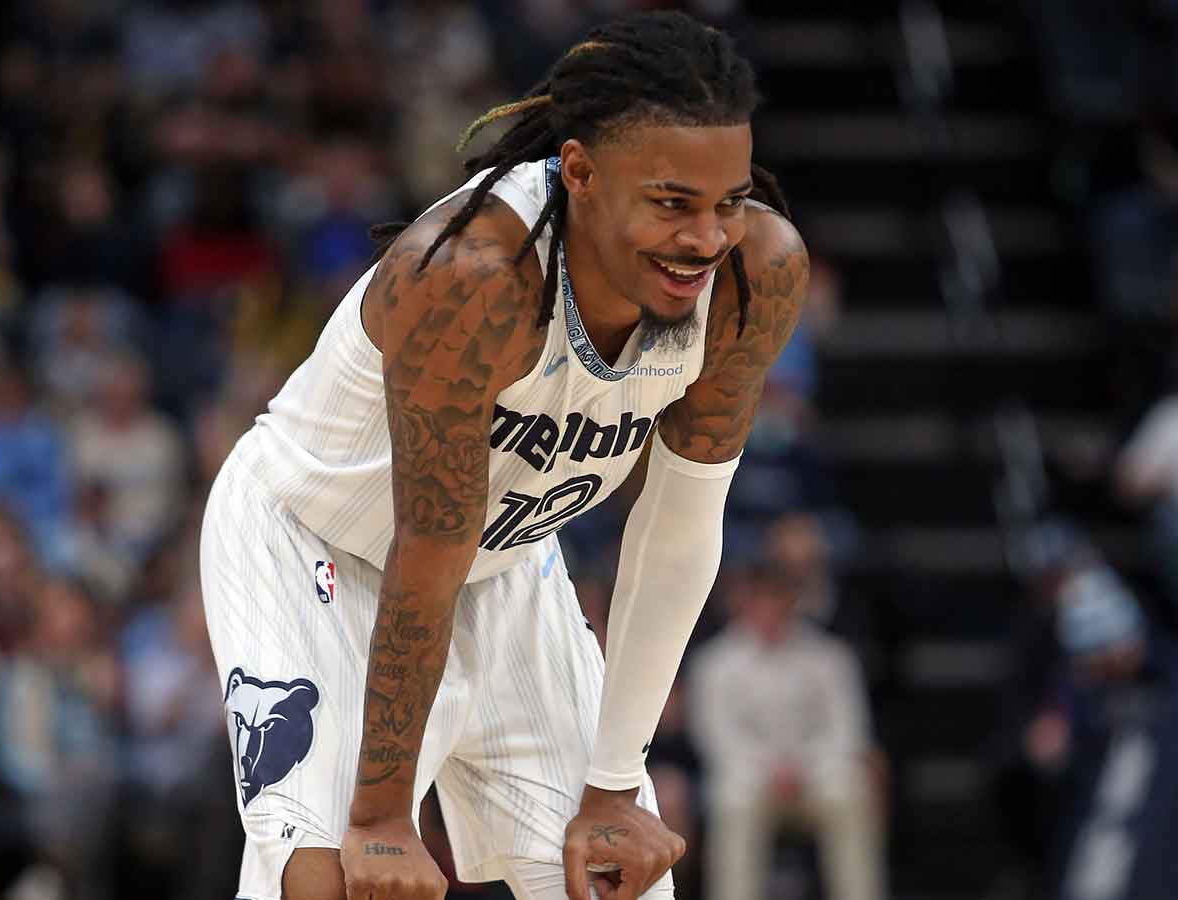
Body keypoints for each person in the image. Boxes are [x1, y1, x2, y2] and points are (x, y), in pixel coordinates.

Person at [199, 12, 809, 900]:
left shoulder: (757, 275)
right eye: (672, 203)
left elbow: (679, 530)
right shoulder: (476, 274)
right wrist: (377, 816)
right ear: (580, 172)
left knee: (610, 878)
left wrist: (612, 788)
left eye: (728, 201)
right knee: (332, 884)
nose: (705, 239)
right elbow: (429, 545)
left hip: (500, 562)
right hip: (312, 543)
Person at [688, 567, 886, 900]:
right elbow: (717, 739)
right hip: (750, 779)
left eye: (779, 600)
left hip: (817, 775)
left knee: (851, 791)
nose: (771, 610)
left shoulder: (829, 656)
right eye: (762, 601)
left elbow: (846, 729)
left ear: (794, 603)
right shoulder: (715, 663)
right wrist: (770, 770)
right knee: (731, 801)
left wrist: (803, 767)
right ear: (745, 603)